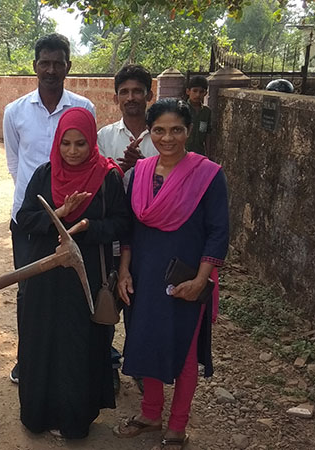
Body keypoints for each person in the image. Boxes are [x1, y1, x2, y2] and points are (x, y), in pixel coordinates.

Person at [114, 98, 229, 450]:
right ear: (149, 133)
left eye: (176, 130)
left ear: (188, 131)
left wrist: (201, 280)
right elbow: (128, 231)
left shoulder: (208, 175)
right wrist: (123, 272)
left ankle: (177, 426)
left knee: (185, 352)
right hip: (144, 274)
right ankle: (150, 414)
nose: (168, 138)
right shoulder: (138, 175)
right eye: (159, 130)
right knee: (146, 342)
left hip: (187, 276)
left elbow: (218, 230)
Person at [16, 107, 130, 439]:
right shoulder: (44, 174)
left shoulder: (108, 178)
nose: (73, 151)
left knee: (79, 343)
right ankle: (39, 413)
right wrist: (60, 213)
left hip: (86, 275)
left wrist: (88, 226)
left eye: (81, 143)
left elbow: (122, 224)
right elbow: (25, 218)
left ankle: (74, 418)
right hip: (46, 271)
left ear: (92, 141)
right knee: (43, 338)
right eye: (66, 143)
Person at [3, 33, 96, 383]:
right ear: (35, 66)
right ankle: (27, 359)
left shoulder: (83, 109)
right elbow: (15, 163)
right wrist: (40, 201)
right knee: (29, 291)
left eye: (59, 62)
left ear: (68, 66)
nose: (51, 69)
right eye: (45, 62)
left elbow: (88, 158)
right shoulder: (15, 111)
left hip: (75, 219)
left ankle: (64, 359)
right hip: (30, 220)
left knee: (68, 289)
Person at [97, 64, 158, 395]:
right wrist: (121, 169)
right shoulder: (105, 137)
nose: (131, 97)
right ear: (117, 96)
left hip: (149, 236)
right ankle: (107, 364)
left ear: (149, 94)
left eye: (138, 91)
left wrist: (144, 169)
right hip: (113, 234)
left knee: (142, 302)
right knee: (106, 297)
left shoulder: (162, 134)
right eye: (125, 92)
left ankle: (140, 365)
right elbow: (96, 186)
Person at [184, 76, 211, 155]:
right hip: (182, 152)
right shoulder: (181, 108)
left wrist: (208, 154)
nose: (198, 94)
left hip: (199, 152)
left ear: (205, 93)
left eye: (201, 92)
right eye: (195, 91)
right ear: (188, 91)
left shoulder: (206, 112)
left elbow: (208, 133)